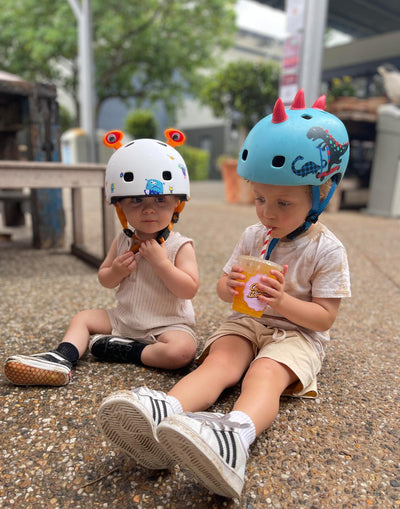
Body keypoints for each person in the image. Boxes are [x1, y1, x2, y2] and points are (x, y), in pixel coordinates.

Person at [96, 90, 351, 498]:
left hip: (296, 335)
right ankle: (166, 414)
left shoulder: (327, 249)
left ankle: (235, 436)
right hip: (247, 321)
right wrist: (228, 285)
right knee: (221, 361)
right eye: (260, 198)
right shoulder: (254, 235)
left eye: (282, 202)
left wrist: (283, 302)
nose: (267, 212)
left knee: (263, 373)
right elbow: (218, 289)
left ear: (321, 193)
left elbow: (325, 318)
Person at [4, 129, 199, 387]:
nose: (149, 208)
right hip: (124, 317)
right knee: (83, 318)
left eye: (161, 199)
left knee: (182, 353)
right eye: (136, 200)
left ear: (177, 203)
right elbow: (105, 279)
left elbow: (189, 289)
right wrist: (116, 270)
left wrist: (162, 263)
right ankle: (63, 357)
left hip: (168, 324)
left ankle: (128, 351)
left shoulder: (179, 245)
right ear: (120, 206)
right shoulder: (122, 241)